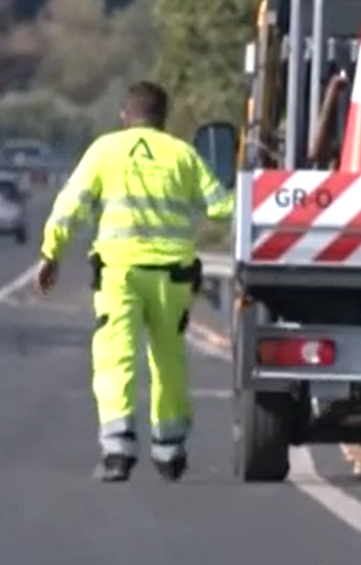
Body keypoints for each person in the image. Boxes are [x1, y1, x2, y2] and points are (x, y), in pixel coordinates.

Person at [36, 80, 234, 483]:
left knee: (115, 357)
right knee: (168, 359)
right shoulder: (183, 155)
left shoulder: (104, 151)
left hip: (119, 274)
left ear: (126, 115)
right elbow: (220, 208)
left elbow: (70, 206)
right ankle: (170, 450)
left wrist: (50, 252)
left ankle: (118, 450)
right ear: (164, 118)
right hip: (172, 278)